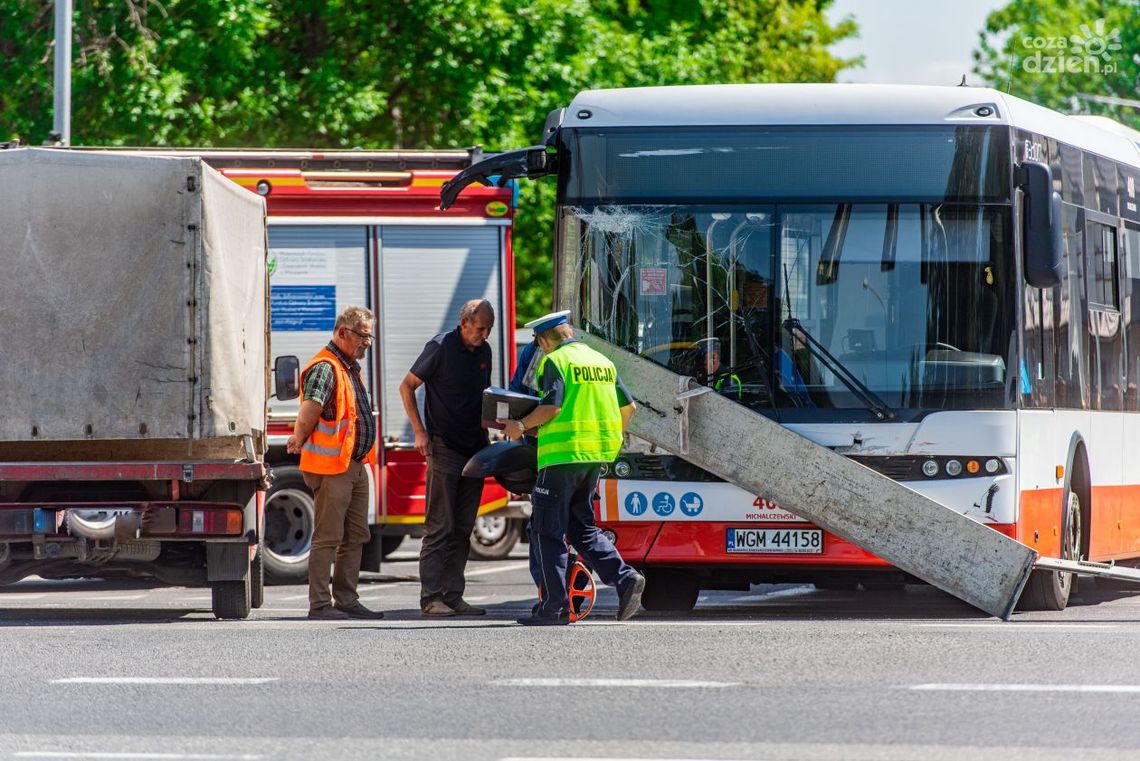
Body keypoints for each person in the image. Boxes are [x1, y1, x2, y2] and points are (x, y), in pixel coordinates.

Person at [502, 311, 645, 625]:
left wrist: (521, 426)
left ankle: (554, 607)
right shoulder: (601, 362)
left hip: (561, 457)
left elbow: (552, 407)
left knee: (546, 531)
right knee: (582, 529)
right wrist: (609, 438)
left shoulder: (555, 362)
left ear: (542, 341)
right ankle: (625, 579)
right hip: (594, 457)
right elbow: (629, 407)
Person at [286, 306, 385, 621]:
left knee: (356, 535)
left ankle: (346, 599)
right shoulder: (327, 367)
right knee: (328, 537)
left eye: (369, 336)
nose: (367, 342)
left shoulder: (348, 367)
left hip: (353, 465)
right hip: (333, 469)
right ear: (343, 332)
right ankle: (319, 605)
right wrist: (297, 439)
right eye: (363, 336)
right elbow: (310, 408)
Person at [399, 299, 496, 617]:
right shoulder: (441, 346)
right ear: (464, 323)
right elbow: (407, 386)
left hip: (476, 450)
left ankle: (454, 596)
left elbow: (483, 399)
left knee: (463, 527)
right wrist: (419, 431)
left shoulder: (484, 353)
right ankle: (431, 598)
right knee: (440, 526)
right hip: (444, 449)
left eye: (489, 329)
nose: (485, 334)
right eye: (480, 328)